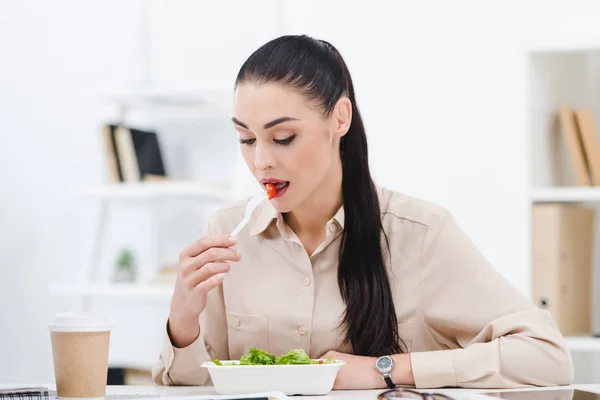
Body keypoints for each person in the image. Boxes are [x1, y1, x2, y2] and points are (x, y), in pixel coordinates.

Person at [152, 34, 573, 390]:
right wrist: (183, 322)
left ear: (339, 118)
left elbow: (547, 358)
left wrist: (383, 370)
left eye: (283, 137)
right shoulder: (227, 235)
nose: (261, 161)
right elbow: (194, 393)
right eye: (246, 139)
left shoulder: (420, 234)